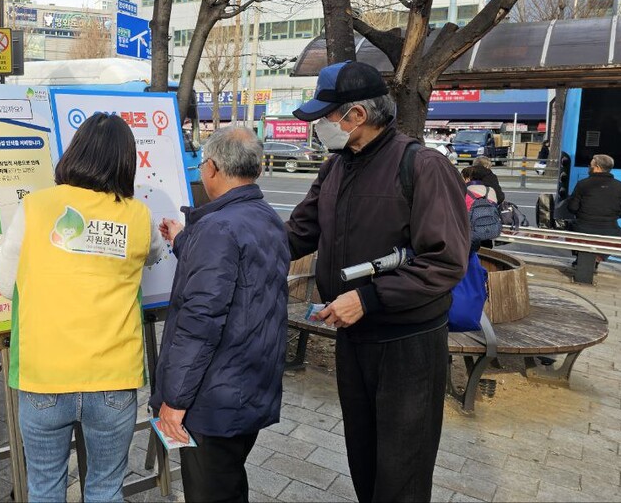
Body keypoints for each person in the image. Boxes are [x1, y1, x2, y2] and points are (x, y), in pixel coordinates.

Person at [286, 61, 469, 503]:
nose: (320, 127)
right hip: (355, 339)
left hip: (408, 345)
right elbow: (296, 234)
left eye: (326, 117)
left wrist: (369, 299)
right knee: (363, 460)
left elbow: (445, 263)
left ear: (356, 116)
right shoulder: (336, 168)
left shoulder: (422, 165)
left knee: (401, 472)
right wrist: (215, 236)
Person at [0, 113, 162, 503]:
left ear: (76, 152)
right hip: (113, 380)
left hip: (43, 375)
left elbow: (4, 283)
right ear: (126, 161)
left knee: (46, 490)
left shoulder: (35, 206)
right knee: (105, 490)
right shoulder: (138, 214)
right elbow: (153, 255)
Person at [152, 127, 290, 503]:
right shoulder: (264, 217)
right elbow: (235, 276)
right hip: (250, 385)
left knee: (211, 490)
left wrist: (175, 401)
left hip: (215, 396)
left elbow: (201, 323)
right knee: (229, 482)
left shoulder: (218, 228)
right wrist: (183, 239)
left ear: (211, 168)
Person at [569, 154, 621, 267]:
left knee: (570, 226)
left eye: (590, 165)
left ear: (597, 167)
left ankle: (580, 256)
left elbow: (572, 208)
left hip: (581, 228)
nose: (589, 167)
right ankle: (599, 257)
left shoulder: (583, 184)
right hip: (609, 230)